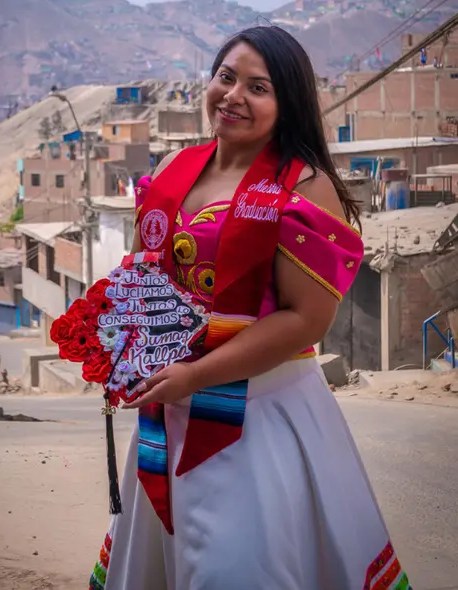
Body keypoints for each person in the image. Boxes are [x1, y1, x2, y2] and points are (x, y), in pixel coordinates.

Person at [87, 27, 411, 590]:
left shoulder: (305, 188)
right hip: (169, 408)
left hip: (259, 420)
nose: (234, 95)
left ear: (287, 105)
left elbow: (307, 321)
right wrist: (116, 340)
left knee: (235, 566)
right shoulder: (172, 173)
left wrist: (194, 374)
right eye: (226, 77)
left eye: (258, 87)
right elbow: (144, 277)